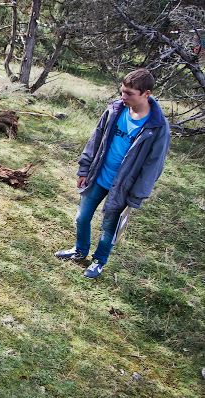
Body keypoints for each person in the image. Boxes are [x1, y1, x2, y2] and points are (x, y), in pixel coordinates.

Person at [55, 69, 170, 278]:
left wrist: (136, 196)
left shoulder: (158, 127)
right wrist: (84, 169)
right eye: (122, 91)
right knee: (82, 218)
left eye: (129, 93)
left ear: (146, 93)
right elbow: (95, 139)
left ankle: (99, 262)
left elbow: (153, 166)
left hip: (124, 187)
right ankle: (80, 251)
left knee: (110, 228)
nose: (123, 97)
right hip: (99, 175)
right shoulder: (115, 110)